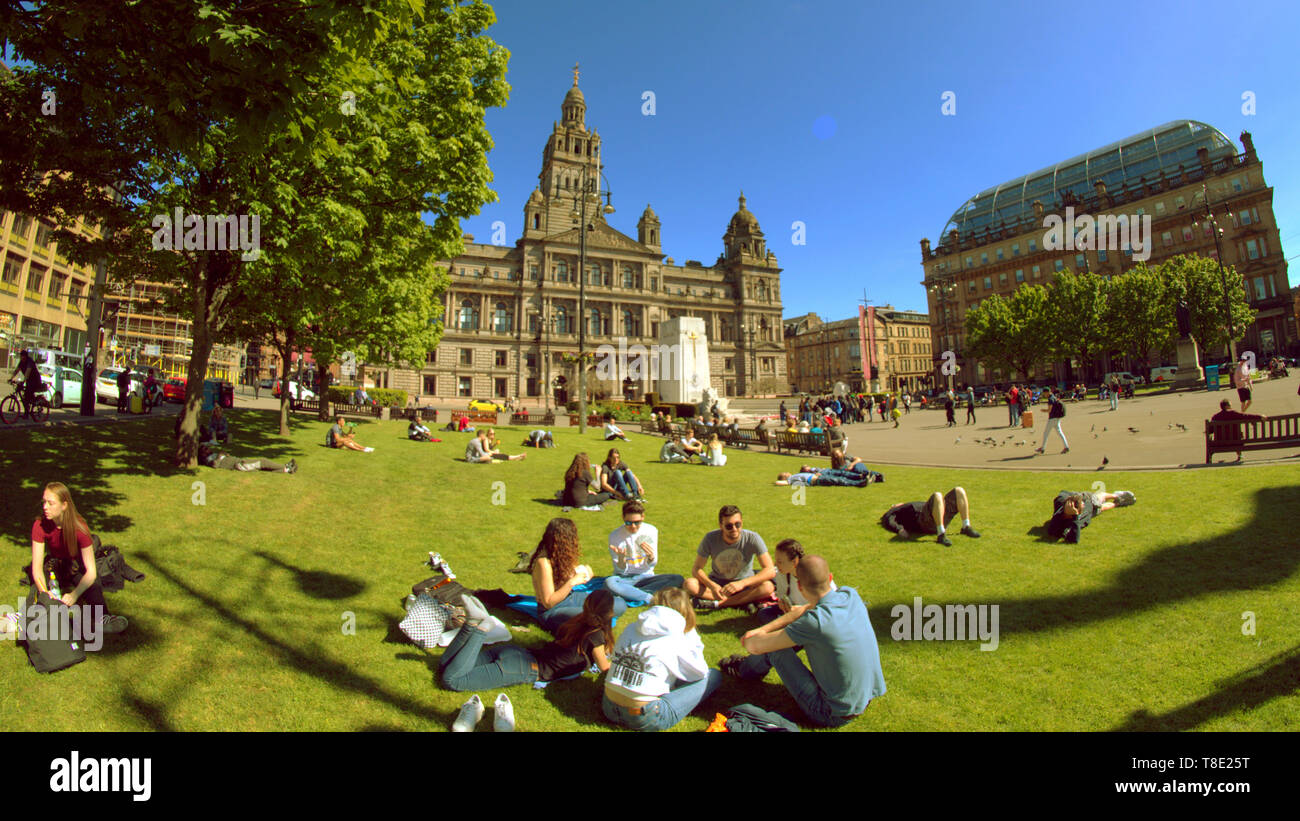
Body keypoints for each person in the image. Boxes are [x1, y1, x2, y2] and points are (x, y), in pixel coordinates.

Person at [724, 555, 885, 728]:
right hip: (865, 699)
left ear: (799, 586)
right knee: (789, 637)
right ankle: (746, 666)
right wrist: (762, 630)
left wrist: (754, 637)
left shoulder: (814, 623)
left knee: (775, 648)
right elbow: (804, 609)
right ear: (830, 578)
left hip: (831, 713)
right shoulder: (849, 594)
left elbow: (755, 646)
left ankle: (742, 669)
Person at [440, 590, 614, 692]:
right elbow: (605, 668)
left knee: (446, 664)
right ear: (609, 614)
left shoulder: (576, 621)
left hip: (516, 653)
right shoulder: (595, 636)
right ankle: (481, 627)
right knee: (453, 680)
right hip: (524, 668)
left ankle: (471, 622)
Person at [602, 587, 721, 732]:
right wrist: (691, 634)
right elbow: (699, 673)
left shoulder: (632, 627)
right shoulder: (676, 637)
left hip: (608, 706)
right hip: (643, 715)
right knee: (712, 675)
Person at [30, 482, 128, 635]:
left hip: (77, 566)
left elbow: (91, 572)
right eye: (44, 502)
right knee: (36, 588)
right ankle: (23, 618)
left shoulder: (80, 528)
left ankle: (102, 619)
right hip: (55, 564)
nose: (45, 507)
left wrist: (74, 595)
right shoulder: (40, 525)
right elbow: (36, 568)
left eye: (50, 503)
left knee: (93, 586)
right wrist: (44, 592)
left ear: (64, 505)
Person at [528, 518, 627, 633]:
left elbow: (572, 574)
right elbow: (549, 602)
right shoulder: (543, 563)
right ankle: (598, 621)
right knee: (592, 614)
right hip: (554, 610)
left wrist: (585, 573)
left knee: (620, 604)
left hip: (572, 597)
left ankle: (597, 620)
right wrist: (572, 582)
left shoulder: (561, 555)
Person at [683, 505, 776, 610]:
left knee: (768, 587)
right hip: (718, 585)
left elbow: (770, 570)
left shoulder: (752, 538)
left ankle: (717, 604)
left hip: (744, 585)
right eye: (729, 526)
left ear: (742, 522)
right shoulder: (710, 538)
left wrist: (741, 583)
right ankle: (742, 601)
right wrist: (713, 586)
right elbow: (696, 569)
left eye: (738, 524)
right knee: (690, 584)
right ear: (720, 525)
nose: (734, 529)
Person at [604, 501, 684, 605]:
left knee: (677, 578)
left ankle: (631, 593)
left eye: (637, 522)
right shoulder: (614, 536)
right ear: (623, 518)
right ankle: (649, 598)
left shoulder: (651, 530)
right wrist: (621, 559)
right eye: (628, 523)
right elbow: (620, 570)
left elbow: (652, 564)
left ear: (643, 517)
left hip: (646, 577)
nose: (633, 526)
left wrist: (651, 557)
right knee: (609, 583)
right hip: (624, 578)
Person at [752, 539, 836, 625]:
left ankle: (790, 629)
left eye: (780, 562)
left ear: (794, 562)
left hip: (814, 614)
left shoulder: (814, 574)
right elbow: (782, 595)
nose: (776, 564)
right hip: (793, 612)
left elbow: (831, 606)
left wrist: (800, 610)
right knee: (763, 613)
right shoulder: (782, 574)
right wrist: (783, 604)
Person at [880, 488, 981, 546]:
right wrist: (899, 530)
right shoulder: (896, 509)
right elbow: (888, 519)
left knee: (959, 490)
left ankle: (966, 526)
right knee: (937, 495)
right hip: (923, 521)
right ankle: (941, 534)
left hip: (937, 516)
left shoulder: (913, 503)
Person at [1045, 489, 1136, 544]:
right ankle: (1118, 503)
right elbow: (1074, 540)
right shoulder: (1074, 521)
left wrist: (1076, 498)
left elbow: (1063, 492)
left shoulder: (1064, 500)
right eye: (1082, 506)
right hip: (1089, 512)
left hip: (1088, 498)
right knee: (1101, 508)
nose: (1083, 505)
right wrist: (1076, 517)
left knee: (1099, 497)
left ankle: (1116, 495)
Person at [198, 443, 297, 473]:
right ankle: (286, 468)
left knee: (261, 466)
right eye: (205, 449)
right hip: (239, 464)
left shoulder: (213, 455)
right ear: (203, 453)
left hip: (239, 461)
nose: (208, 449)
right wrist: (220, 456)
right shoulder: (208, 460)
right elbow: (215, 465)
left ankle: (286, 469)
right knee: (262, 461)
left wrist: (223, 454)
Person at [8, 349, 44, 416]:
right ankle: (27, 409)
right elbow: (16, 370)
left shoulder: (29, 362)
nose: (22, 358)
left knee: (27, 395)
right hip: (29, 380)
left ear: (26, 356)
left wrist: (23, 381)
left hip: (35, 380)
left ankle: (27, 412)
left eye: (23, 356)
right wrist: (11, 378)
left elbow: (27, 372)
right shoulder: (21, 362)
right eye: (21, 356)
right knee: (25, 396)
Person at [1033, 388, 1069, 454]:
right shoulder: (1054, 397)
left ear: (1047, 392)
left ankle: (1043, 448)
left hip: (1052, 418)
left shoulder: (1050, 399)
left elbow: (1049, 410)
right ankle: (1066, 446)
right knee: (1060, 432)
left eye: (1044, 393)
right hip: (1057, 418)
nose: (1044, 395)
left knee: (1046, 433)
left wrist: (1043, 410)